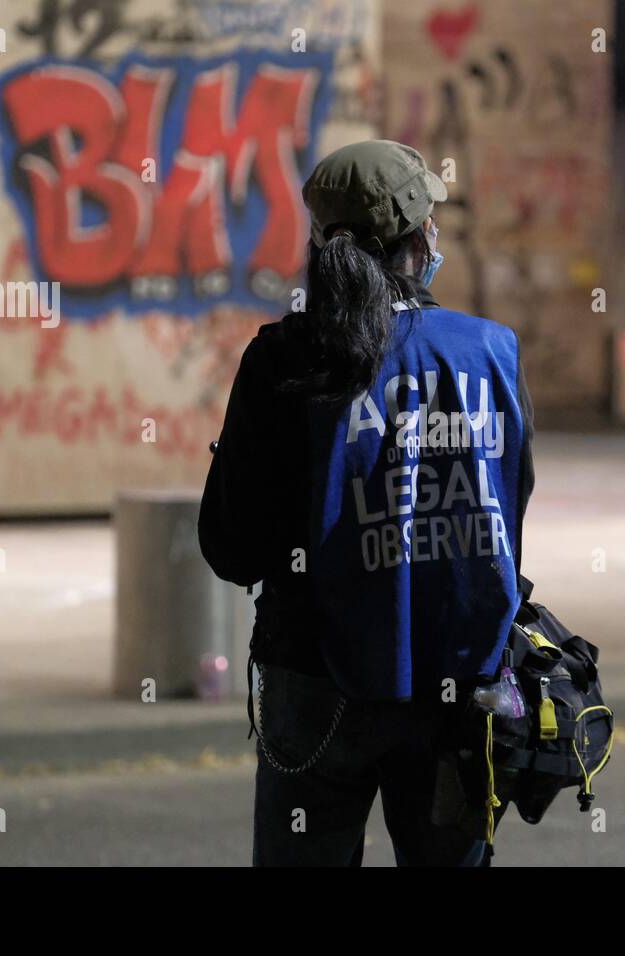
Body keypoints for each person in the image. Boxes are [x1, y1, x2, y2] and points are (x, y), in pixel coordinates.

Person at [199, 140, 535, 867]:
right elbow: (509, 511)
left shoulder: (282, 359)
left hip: (314, 684)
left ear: (322, 242)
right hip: (457, 683)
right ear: (419, 239)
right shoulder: (490, 352)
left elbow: (232, 547)